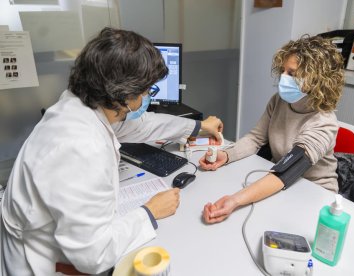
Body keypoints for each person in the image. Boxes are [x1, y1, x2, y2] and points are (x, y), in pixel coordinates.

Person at [1, 27, 223, 275]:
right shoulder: (82, 146)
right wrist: (149, 212)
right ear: (124, 95)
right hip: (39, 262)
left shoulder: (79, 105)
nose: (148, 97)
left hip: (51, 239)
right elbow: (93, 255)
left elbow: (142, 126)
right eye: (147, 91)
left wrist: (198, 126)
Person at [200, 35, 344, 224]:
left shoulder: (324, 122)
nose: (283, 78)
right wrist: (226, 155)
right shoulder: (279, 101)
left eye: (292, 74)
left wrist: (234, 200)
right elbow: (255, 138)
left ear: (316, 80)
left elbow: (288, 170)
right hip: (279, 182)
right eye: (283, 71)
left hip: (314, 193)